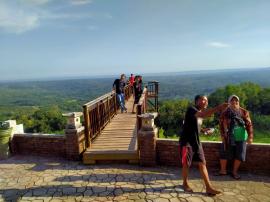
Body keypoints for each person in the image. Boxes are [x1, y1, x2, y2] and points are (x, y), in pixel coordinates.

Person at [180, 95, 227, 195]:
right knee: (186, 164)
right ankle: (185, 183)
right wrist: (218, 108)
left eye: (207, 100)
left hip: (196, 142)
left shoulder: (199, 114)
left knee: (202, 163)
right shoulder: (191, 109)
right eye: (203, 100)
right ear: (197, 101)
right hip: (187, 142)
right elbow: (203, 115)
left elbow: (194, 125)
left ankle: (208, 187)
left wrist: (203, 130)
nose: (206, 102)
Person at [217, 95, 253, 180]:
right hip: (228, 137)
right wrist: (222, 135)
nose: (234, 102)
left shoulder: (244, 112)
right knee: (224, 153)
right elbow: (221, 125)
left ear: (238, 102)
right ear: (229, 102)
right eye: (232, 101)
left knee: (239, 155)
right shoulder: (225, 113)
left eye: (236, 101)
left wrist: (250, 136)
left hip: (241, 137)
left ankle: (234, 172)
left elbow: (249, 125)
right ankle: (223, 170)